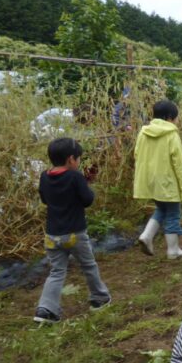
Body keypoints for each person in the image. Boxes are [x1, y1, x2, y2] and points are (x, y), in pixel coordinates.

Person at [33, 138, 112, 324]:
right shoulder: (74, 177)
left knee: (57, 271)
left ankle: (45, 309)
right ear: (71, 159)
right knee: (88, 266)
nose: (78, 162)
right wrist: (86, 185)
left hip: (52, 236)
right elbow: (87, 200)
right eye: (78, 159)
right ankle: (99, 298)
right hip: (75, 234)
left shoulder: (44, 176)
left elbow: (44, 199)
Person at [134, 100, 182, 259]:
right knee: (174, 214)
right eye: (176, 118)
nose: (177, 121)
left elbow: (137, 154)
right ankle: (173, 250)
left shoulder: (143, 132)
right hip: (167, 182)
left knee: (162, 209)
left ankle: (147, 236)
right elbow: (179, 163)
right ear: (169, 117)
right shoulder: (171, 134)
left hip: (150, 181)